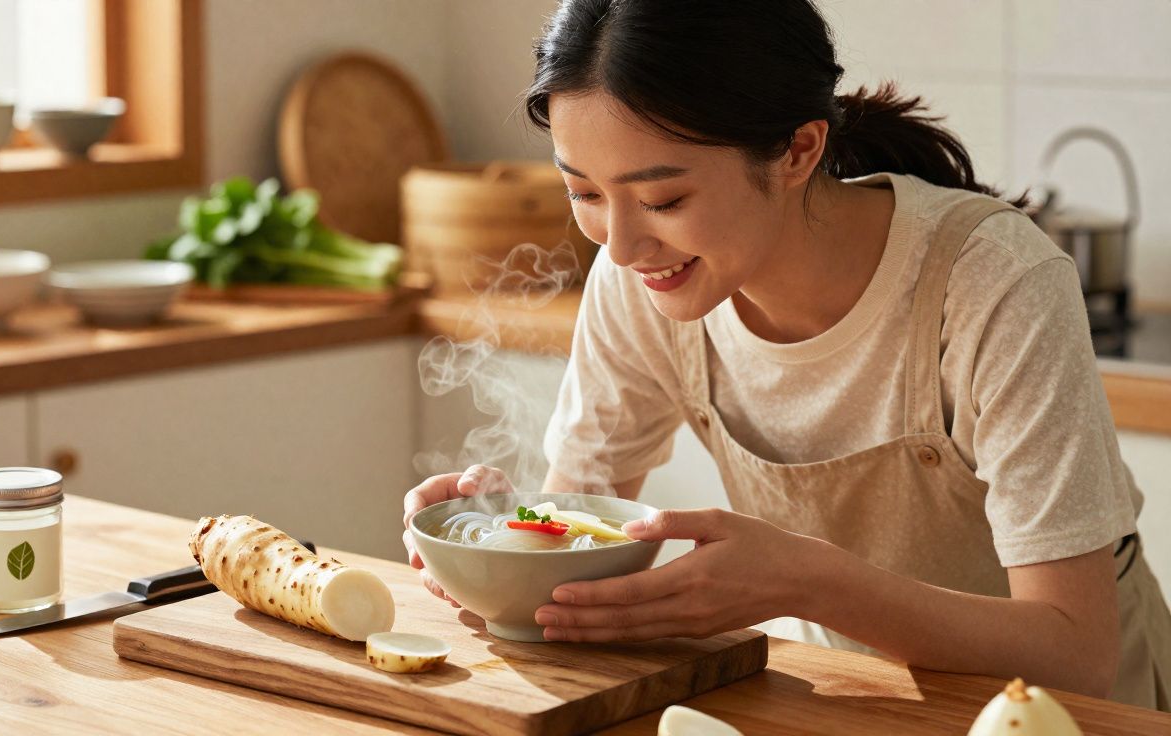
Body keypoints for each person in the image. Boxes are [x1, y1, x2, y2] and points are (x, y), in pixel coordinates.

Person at [403, 0, 1170, 709]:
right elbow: (576, 546)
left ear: (799, 150)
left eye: (664, 200)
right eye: (585, 193)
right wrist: (503, 545)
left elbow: (1076, 654)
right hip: (849, 694)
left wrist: (810, 584)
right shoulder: (639, 278)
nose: (625, 246)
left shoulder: (993, 282)